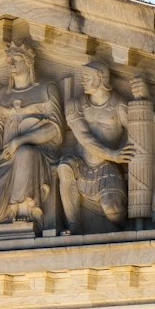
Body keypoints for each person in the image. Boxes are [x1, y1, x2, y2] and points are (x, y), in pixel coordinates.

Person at [0, 41, 63, 230]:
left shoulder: (46, 89)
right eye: (9, 61)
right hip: (6, 162)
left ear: (29, 63)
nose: (11, 65)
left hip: (39, 157)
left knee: (25, 152)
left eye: (16, 60)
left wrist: (20, 141)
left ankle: (27, 211)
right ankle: (10, 213)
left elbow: (56, 128)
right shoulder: (2, 95)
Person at [57, 63, 134, 234]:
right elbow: (84, 137)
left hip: (108, 168)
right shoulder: (75, 105)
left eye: (87, 78)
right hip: (82, 165)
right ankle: (74, 224)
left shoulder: (120, 106)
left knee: (113, 211)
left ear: (100, 78)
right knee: (64, 167)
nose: (83, 81)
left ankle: (131, 228)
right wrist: (113, 154)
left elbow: (137, 135)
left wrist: (124, 154)